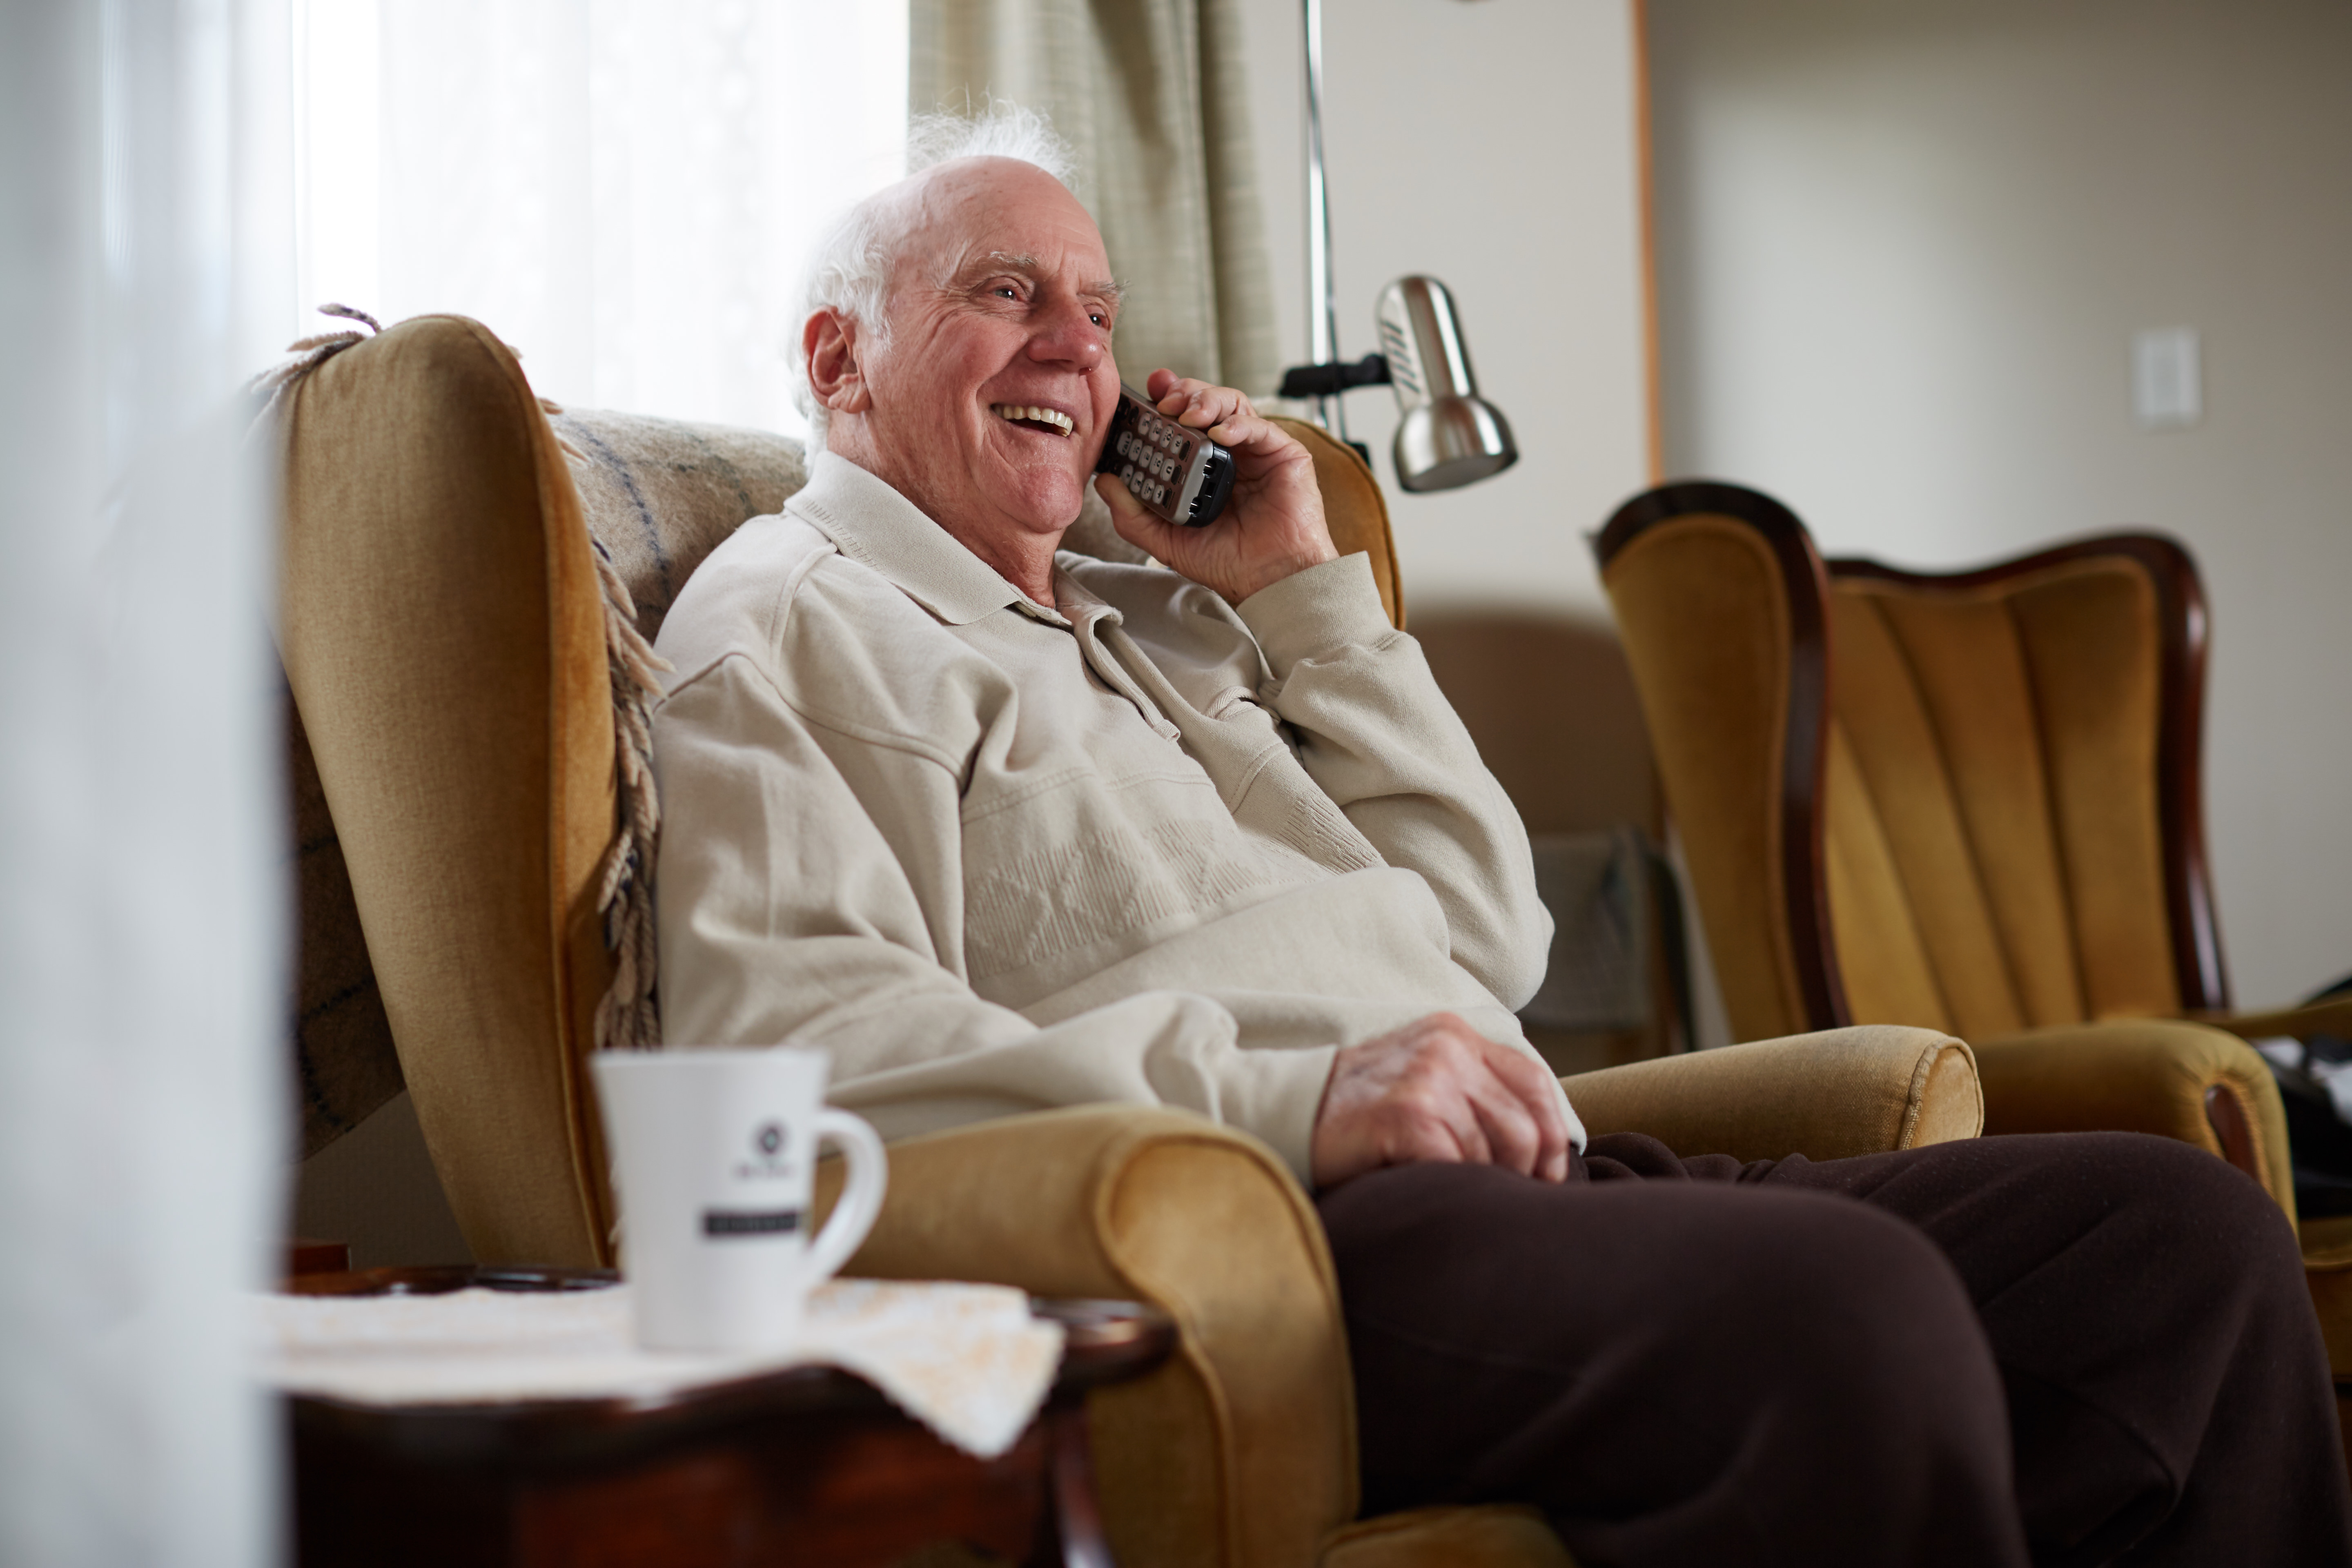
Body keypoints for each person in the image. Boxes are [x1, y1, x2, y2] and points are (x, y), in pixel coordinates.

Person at [650, 109, 2352, 1565]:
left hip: (1529, 1176)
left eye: (1096, 312)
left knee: (2180, 1248)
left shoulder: (1168, 617)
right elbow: (797, 1059)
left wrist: (1307, 599)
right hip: (1270, 1229)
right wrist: (1299, 1100)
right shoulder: (793, 625)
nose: (1075, 352)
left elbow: (1488, 939)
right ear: (838, 359)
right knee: (1845, 1315)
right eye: (1004, 294)